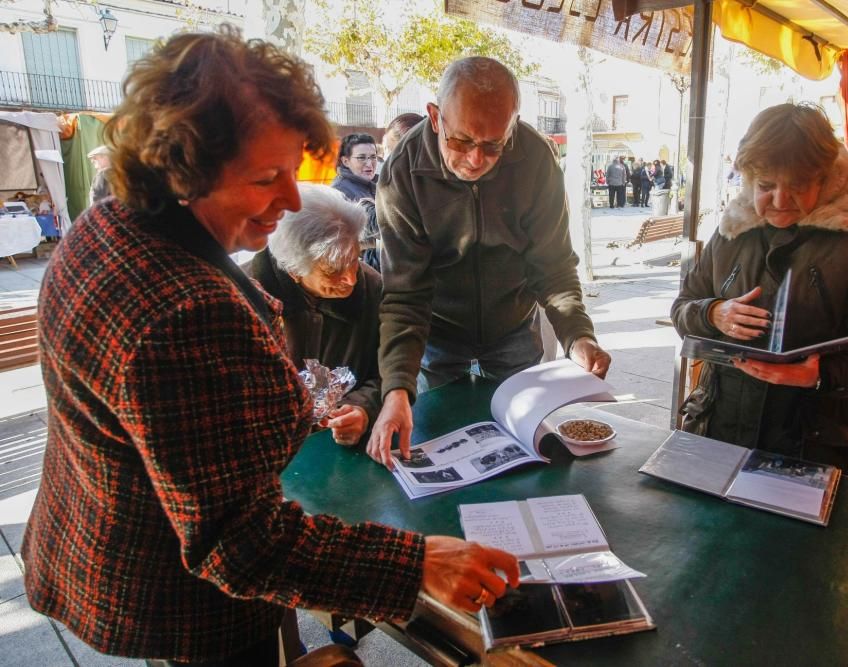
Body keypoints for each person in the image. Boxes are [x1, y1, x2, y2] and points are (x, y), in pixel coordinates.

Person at [21, 29, 518, 667]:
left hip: (100, 547)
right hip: (181, 601)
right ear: (187, 169)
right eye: (266, 178)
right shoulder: (186, 312)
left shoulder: (107, 223)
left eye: (293, 173)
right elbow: (241, 544)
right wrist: (417, 560)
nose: (288, 201)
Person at [370, 56, 611, 469]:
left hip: (513, 326)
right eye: (461, 141)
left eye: (493, 145)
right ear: (434, 117)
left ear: (513, 125)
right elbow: (405, 293)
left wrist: (576, 335)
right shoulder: (402, 172)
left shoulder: (536, 158)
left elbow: (551, 266)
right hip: (436, 331)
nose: (476, 160)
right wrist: (396, 388)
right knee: (436, 440)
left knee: (529, 450)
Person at [670, 103, 848, 479]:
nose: (780, 201)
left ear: (826, 178)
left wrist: (821, 373)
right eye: (766, 187)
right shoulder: (733, 227)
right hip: (718, 430)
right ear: (750, 178)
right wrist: (713, 313)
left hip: (815, 444)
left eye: (798, 187)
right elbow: (683, 307)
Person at [244, 184, 381, 446]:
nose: (351, 280)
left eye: (354, 259)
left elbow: (387, 371)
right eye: (333, 271)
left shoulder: (373, 288)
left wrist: (362, 408)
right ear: (293, 270)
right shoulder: (245, 299)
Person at [331, 132, 380, 271]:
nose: (369, 163)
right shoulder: (340, 191)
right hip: (363, 267)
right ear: (346, 161)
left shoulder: (374, 184)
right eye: (361, 158)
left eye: (373, 157)